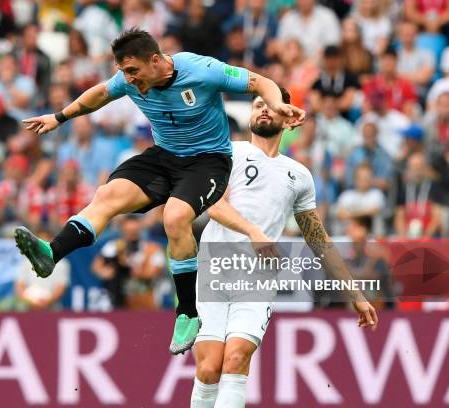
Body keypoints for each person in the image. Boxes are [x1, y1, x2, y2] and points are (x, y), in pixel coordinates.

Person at [15, 28, 304, 354]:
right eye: (124, 72)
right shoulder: (129, 79)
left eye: (133, 71)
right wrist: (59, 117)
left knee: (176, 216)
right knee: (106, 196)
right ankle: (51, 254)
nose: (128, 79)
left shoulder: (201, 70)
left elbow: (258, 82)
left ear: (155, 60)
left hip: (208, 162)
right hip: (164, 157)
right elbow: (100, 93)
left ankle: (188, 312)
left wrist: (278, 105)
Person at [191, 89, 378, 408]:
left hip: (257, 277)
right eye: (257, 105)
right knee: (209, 368)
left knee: (235, 358)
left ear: (288, 117)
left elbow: (318, 239)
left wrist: (355, 294)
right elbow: (215, 207)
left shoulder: (299, 176)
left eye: (270, 105)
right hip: (215, 268)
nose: (262, 109)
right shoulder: (228, 153)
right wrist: (254, 231)